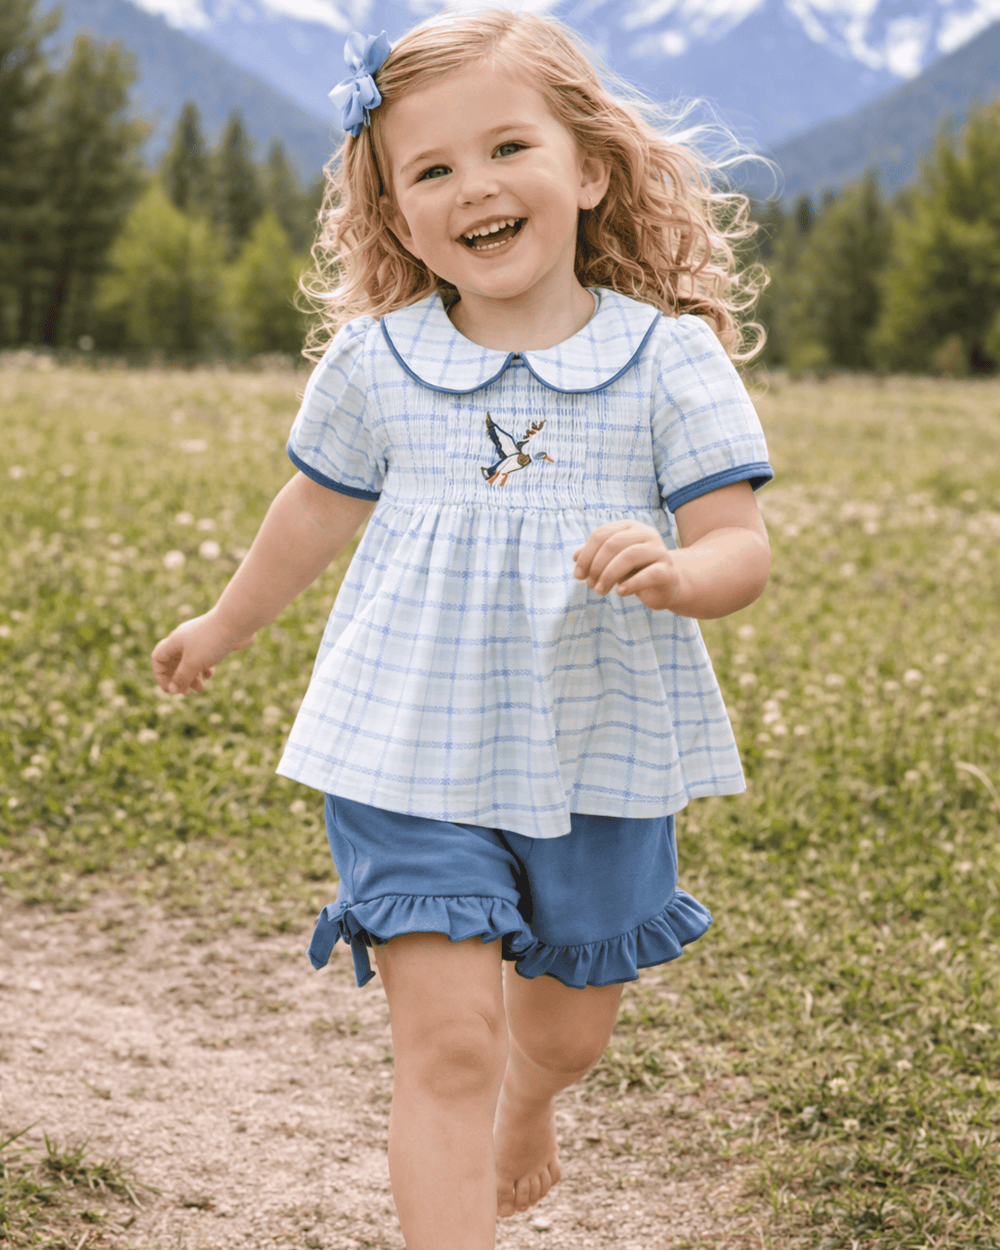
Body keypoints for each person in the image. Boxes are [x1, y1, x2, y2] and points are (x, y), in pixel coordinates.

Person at [151, 9, 773, 1247]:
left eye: (505, 149)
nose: (471, 187)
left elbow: (740, 545)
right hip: (406, 743)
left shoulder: (668, 364)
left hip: (595, 746)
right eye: (430, 170)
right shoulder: (379, 364)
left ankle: (530, 1104)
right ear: (395, 214)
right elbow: (311, 508)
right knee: (445, 1042)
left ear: (587, 168)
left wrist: (678, 569)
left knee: (560, 1029)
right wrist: (225, 621)